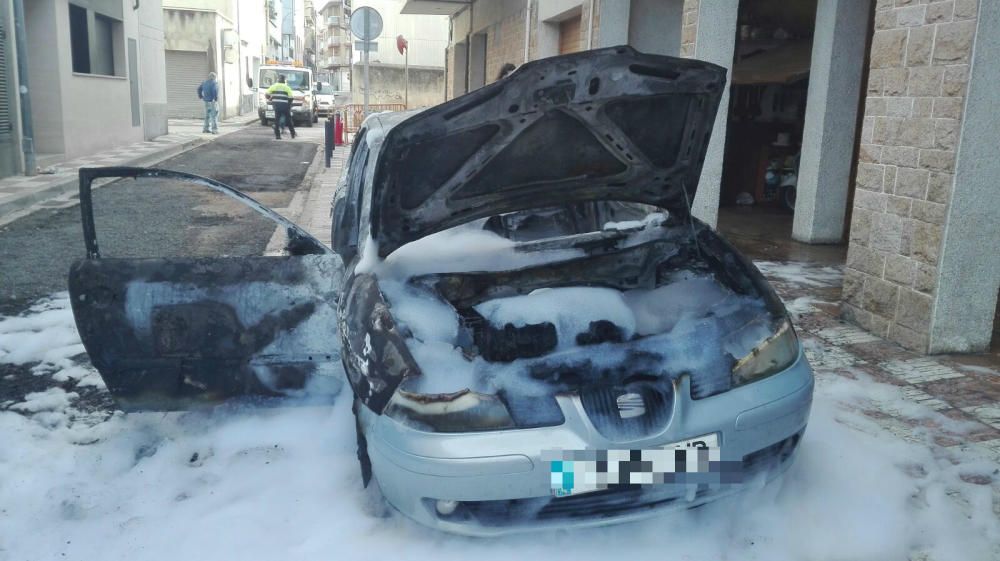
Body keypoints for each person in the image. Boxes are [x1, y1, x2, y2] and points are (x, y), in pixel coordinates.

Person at [265, 75, 296, 140]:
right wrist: (288, 106)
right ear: (284, 80)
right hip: (285, 106)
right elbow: (291, 98)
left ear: (278, 80)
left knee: (277, 121)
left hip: (276, 106)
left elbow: (266, 94)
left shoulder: (273, 86)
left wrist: (270, 99)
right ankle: (292, 134)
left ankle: (278, 136)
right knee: (289, 120)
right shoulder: (287, 87)